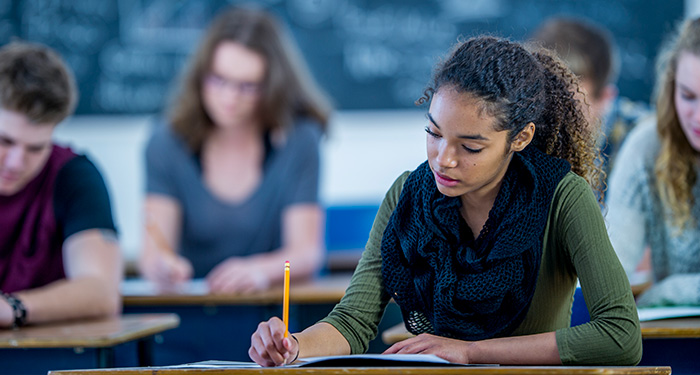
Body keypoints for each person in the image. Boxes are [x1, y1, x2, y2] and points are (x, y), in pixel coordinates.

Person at [250, 36, 641, 366]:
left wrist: (471, 352)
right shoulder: (407, 194)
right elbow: (354, 321)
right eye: (434, 134)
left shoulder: (561, 196)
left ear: (519, 139)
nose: (444, 159)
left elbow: (621, 336)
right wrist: (293, 346)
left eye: (471, 146)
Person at [139, 6, 331, 294]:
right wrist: (161, 267)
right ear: (200, 74)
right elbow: (153, 252)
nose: (229, 97)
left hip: (272, 310)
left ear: (271, 86)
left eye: (248, 86)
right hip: (189, 310)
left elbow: (306, 252)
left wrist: (259, 271)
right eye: (219, 79)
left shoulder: (299, 140)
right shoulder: (165, 141)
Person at [0, 42, 122, 328]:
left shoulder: (74, 176)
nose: (17, 162)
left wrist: (12, 308)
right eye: (5, 141)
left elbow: (101, 292)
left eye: (36, 148)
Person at [606, 17, 700, 307]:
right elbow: (608, 274)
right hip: (678, 342)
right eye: (687, 96)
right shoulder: (646, 147)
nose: (697, 117)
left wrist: (664, 294)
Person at [531, 17, 651, 178]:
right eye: (541, 100)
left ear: (606, 97)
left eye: (568, 106)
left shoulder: (648, 139)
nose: (548, 116)